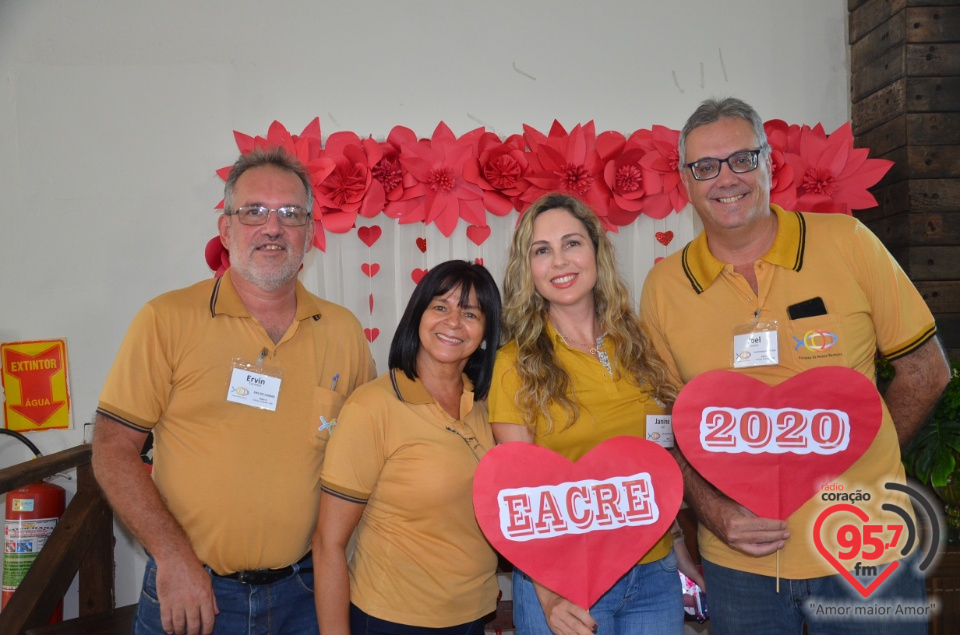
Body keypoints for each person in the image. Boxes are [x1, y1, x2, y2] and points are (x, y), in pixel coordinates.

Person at [639, 97, 952, 634]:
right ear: (686, 182)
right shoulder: (664, 288)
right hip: (742, 569)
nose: (725, 179)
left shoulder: (848, 243)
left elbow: (926, 371)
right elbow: (666, 425)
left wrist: (861, 458)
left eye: (741, 159)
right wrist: (715, 514)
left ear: (768, 164)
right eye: (705, 167)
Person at [92, 147, 376, 635]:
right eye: (253, 212)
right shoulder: (167, 320)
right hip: (192, 595)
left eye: (290, 214)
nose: (273, 228)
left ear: (310, 234)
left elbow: (373, 458)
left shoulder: (344, 332)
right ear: (226, 231)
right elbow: (112, 450)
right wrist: (173, 558)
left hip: (304, 598)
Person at [488, 193, 701, 635]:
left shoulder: (640, 345)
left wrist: (678, 549)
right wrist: (549, 596)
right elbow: (519, 493)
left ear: (597, 252)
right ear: (527, 269)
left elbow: (653, 464)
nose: (560, 261)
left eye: (572, 243)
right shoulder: (514, 363)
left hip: (654, 574)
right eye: (541, 250)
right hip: (566, 583)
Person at [313, 260, 503, 635]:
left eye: (470, 313)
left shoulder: (488, 402)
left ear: (485, 332)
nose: (453, 322)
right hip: (393, 618)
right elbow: (328, 544)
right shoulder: (371, 407)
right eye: (440, 307)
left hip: (472, 613)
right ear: (418, 315)